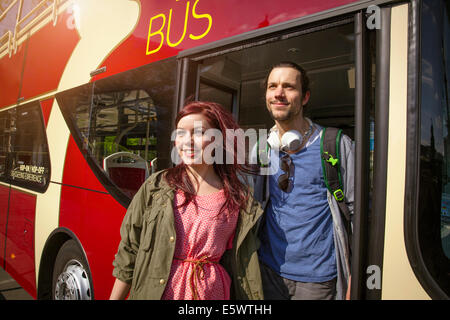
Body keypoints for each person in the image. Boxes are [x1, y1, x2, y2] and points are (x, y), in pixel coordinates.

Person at [109, 101, 264, 300]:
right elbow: (129, 252)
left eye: (198, 132)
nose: (187, 141)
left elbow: (242, 266)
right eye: (180, 133)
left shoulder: (237, 197)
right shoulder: (156, 186)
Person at [252, 61, 354, 300]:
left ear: (305, 97)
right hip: (268, 272)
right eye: (272, 86)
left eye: (288, 86)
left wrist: (353, 278)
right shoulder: (261, 150)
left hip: (318, 281)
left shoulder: (336, 145)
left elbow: (357, 212)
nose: (278, 93)